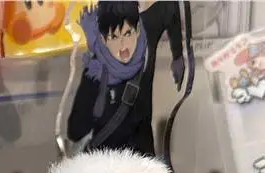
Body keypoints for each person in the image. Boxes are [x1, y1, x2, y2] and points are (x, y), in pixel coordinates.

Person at [67, 1, 184, 156]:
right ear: (103, 39)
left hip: (143, 156)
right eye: (114, 37)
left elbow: (169, 7)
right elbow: (75, 131)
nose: (123, 47)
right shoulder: (95, 72)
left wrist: (177, 56)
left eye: (128, 34)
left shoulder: (147, 33)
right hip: (106, 159)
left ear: (137, 30)